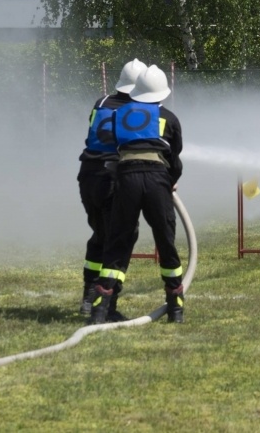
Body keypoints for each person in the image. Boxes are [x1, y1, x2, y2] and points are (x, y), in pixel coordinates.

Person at [90, 64, 185, 324]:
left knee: (118, 242)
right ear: (162, 92)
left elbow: (110, 149)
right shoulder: (169, 118)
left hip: (126, 180)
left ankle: (100, 309)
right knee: (165, 241)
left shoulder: (118, 115)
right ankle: (175, 308)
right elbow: (175, 160)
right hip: (157, 181)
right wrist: (170, 181)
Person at [77, 58, 146, 320]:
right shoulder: (136, 110)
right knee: (122, 238)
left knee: (101, 234)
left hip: (88, 176)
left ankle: (89, 294)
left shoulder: (101, 102)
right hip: (112, 179)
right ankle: (106, 302)